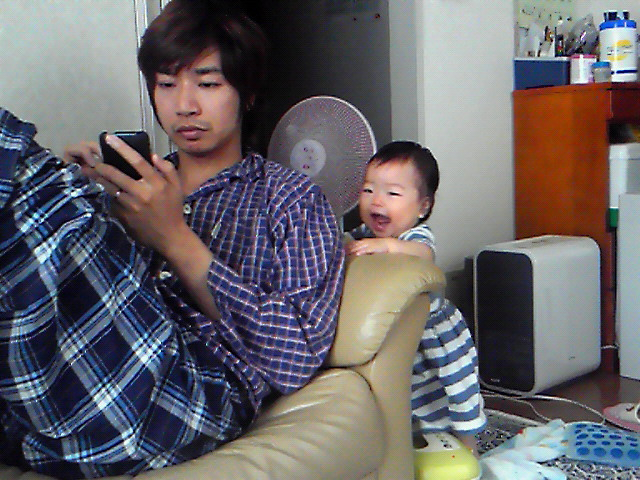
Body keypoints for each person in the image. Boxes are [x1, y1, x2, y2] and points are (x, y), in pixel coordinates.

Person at [0, 1, 344, 478]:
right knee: (44, 197)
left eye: (208, 83)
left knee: (20, 165)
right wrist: (84, 200)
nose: (184, 105)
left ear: (246, 93)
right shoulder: (136, 187)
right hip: (80, 384)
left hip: (193, 391)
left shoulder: (291, 200)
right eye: (166, 84)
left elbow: (296, 358)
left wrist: (175, 239)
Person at [345, 141, 485, 452]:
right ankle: (417, 444)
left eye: (392, 194)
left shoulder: (414, 237)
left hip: (434, 332)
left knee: (456, 390)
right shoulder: (364, 236)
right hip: (394, 332)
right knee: (410, 394)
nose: (377, 200)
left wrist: (389, 247)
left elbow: (424, 254)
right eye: (368, 190)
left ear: (422, 207)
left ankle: (468, 443)